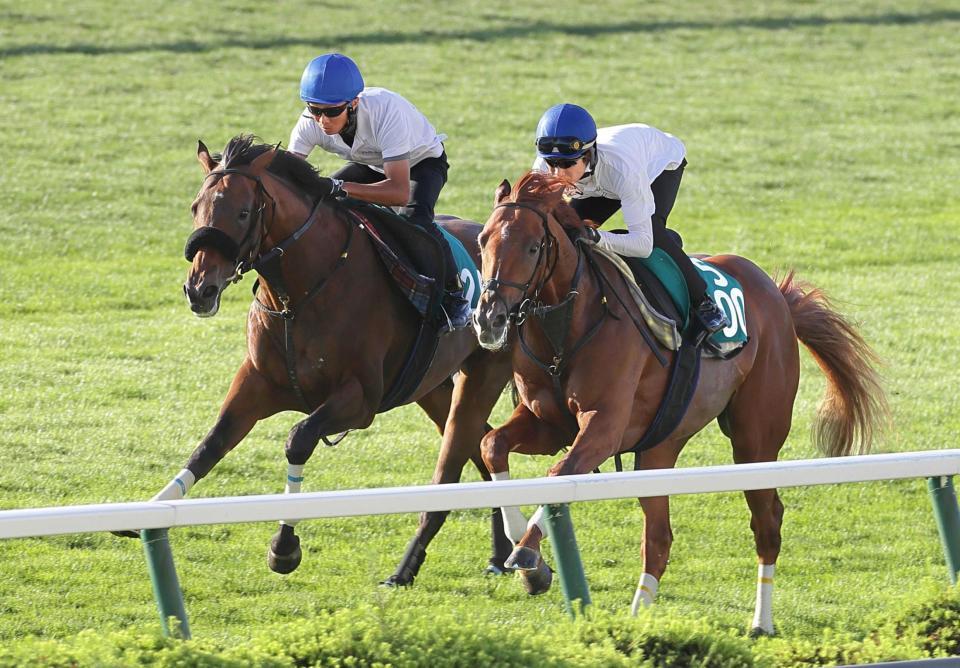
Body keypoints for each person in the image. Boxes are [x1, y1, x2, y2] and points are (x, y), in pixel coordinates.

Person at [289, 53, 471, 330]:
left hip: (421, 164)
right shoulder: (309, 123)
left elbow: (398, 192)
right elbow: (288, 174)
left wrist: (340, 187)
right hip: (370, 164)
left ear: (354, 103)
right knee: (322, 205)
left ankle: (454, 293)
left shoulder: (385, 111)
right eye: (315, 110)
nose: (322, 121)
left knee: (414, 220)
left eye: (331, 111)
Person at [532, 103, 730, 336]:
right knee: (566, 231)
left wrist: (595, 236)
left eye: (567, 164)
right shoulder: (542, 168)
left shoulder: (622, 169)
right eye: (552, 163)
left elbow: (642, 245)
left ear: (588, 154)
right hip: (600, 183)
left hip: (656, 167)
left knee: (654, 232)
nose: (557, 174)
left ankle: (704, 302)